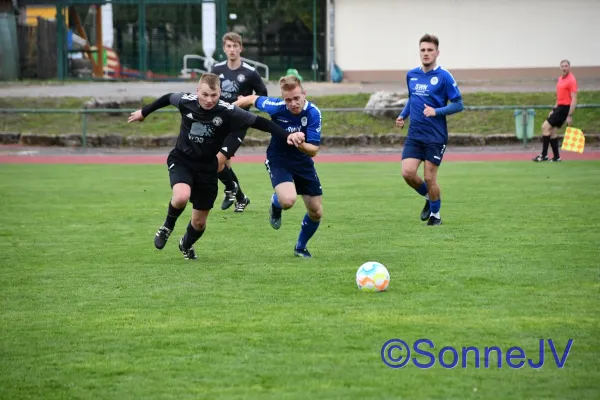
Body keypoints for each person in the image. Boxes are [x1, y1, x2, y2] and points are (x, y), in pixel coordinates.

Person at [127, 73, 305, 260]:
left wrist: (288, 135)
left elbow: (261, 123)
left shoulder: (228, 110)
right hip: (182, 160)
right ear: (197, 91)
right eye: (204, 94)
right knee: (181, 196)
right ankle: (167, 227)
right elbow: (167, 98)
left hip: (207, 168)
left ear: (220, 92)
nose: (209, 100)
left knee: (199, 223)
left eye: (214, 95)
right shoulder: (186, 101)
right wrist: (143, 113)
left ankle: (186, 244)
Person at [234, 75, 323, 258]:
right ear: (283, 99)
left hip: (303, 162)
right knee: (288, 201)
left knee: (316, 211)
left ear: (304, 94)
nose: (293, 103)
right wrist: (227, 108)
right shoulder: (275, 106)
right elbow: (251, 99)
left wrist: (299, 143)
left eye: (296, 98)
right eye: (288, 100)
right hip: (278, 159)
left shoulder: (313, 113)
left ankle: (300, 247)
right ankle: (276, 203)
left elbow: (313, 150)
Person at [396, 34, 464, 226]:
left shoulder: (444, 76)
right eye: (423, 50)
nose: (426, 53)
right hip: (415, 134)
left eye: (430, 50)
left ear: (437, 53)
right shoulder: (411, 75)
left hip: (435, 136)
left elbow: (458, 104)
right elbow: (413, 99)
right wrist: (403, 115)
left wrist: (437, 111)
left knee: (429, 177)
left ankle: (436, 216)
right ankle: (429, 197)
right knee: (407, 173)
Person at [211, 32, 269, 212]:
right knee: (223, 165)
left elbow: (263, 95)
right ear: (224, 49)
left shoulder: (250, 72)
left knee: (217, 163)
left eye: (235, 46)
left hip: (239, 123)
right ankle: (241, 198)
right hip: (219, 122)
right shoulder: (216, 70)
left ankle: (230, 190)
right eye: (228, 46)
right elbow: (208, 91)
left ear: (241, 48)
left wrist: (247, 100)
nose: (232, 50)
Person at [532, 60, 577, 162]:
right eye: (562, 66)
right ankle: (556, 157)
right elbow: (560, 97)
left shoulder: (572, 80)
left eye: (566, 66)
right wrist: (554, 109)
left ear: (569, 67)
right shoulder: (560, 79)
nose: (564, 68)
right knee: (552, 131)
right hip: (559, 107)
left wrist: (569, 115)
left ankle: (544, 155)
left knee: (545, 127)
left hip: (564, 108)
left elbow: (574, 99)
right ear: (560, 68)